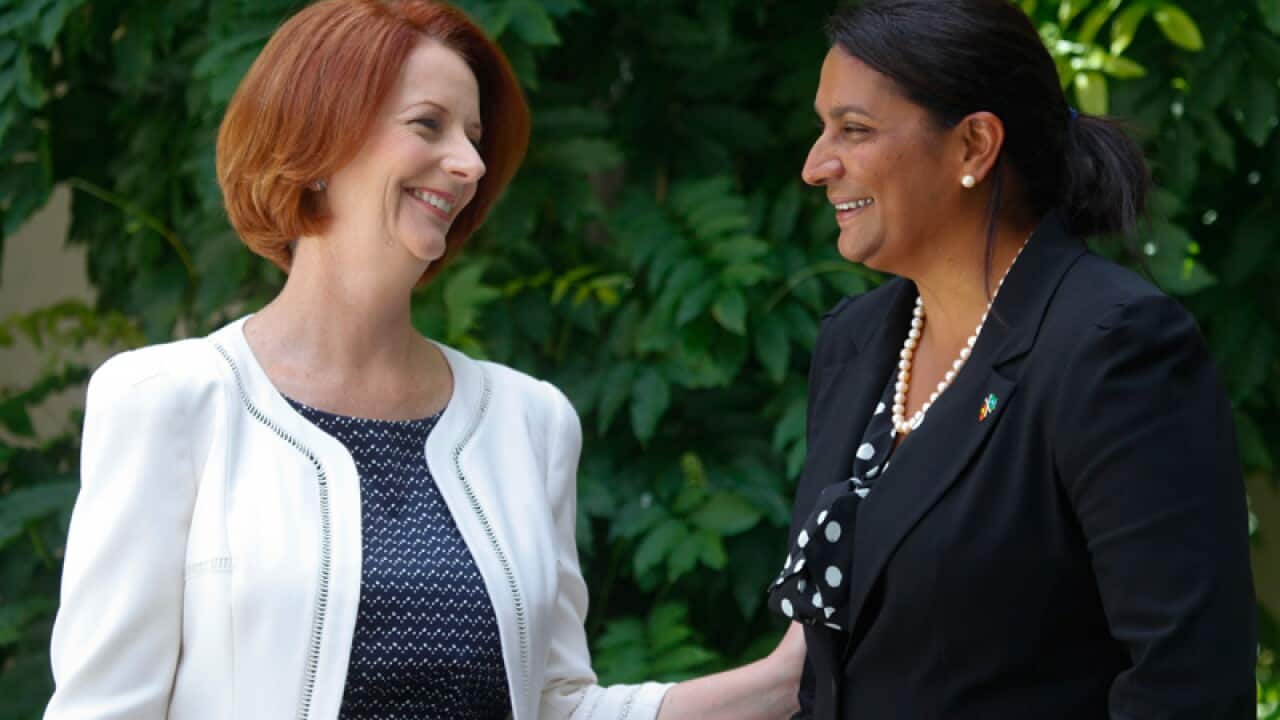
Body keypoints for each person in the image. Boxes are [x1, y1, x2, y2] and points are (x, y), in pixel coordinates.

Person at [43, 1, 804, 718]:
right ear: (316, 143)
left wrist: (787, 677)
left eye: (473, 136)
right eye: (428, 125)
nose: (469, 163)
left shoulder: (530, 422)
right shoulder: (169, 400)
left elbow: (556, 706)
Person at [766, 0, 1256, 717]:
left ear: (973, 146)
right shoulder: (855, 343)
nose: (816, 166)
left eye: (854, 130)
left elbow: (1187, 688)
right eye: (823, 128)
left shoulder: (1111, 347)